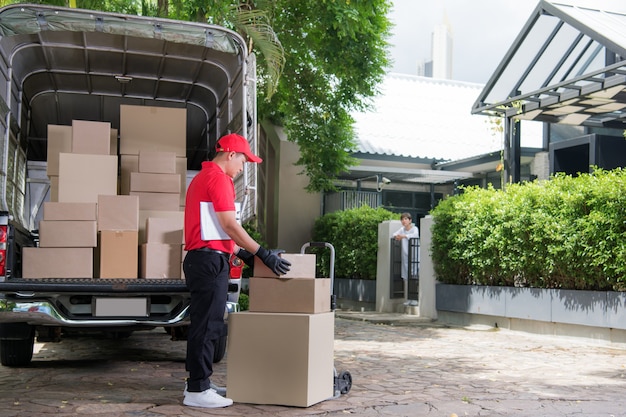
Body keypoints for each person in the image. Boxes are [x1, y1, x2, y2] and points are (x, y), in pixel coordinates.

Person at [182, 133, 291, 408]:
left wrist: (244, 253)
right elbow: (230, 225)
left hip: (206, 258)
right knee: (207, 326)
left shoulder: (202, 178)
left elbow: (215, 230)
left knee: (207, 324)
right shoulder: (219, 179)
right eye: (243, 160)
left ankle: (199, 382)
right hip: (208, 262)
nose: (244, 167)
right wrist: (261, 252)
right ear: (230, 154)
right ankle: (197, 391)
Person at [392, 212, 419, 305]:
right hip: (405, 257)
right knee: (406, 277)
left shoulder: (415, 229)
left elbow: (415, 235)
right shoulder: (402, 229)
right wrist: (397, 236)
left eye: (406, 219)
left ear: (410, 220)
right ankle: (409, 298)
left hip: (414, 257)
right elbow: (394, 234)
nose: (404, 221)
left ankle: (415, 298)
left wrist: (403, 236)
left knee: (414, 276)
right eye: (402, 219)